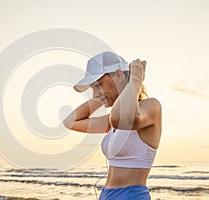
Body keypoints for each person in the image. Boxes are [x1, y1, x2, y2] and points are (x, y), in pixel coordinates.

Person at [63, 51, 162, 200]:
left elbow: (119, 118)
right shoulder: (114, 119)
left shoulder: (150, 107)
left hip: (131, 196)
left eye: (98, 85)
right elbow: (71, 122)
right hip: (106, 195)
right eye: (92, 88)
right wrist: (102, 96)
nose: (94, 93)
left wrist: (135, 81)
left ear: (118, 75)